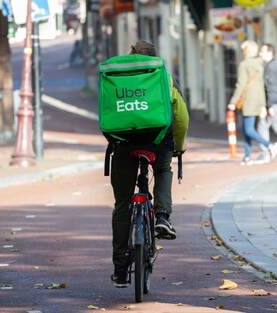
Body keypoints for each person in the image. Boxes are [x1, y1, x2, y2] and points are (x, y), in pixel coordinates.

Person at [108, 41, 189, 287]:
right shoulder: (162, 74)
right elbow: (180, 114)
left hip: (124, 141)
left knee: (122, 204)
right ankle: (163, 216)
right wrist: (179, 144)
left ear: (131, 54)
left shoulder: (117, 74)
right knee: (163, 170)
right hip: (157, 141)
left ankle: (120, 269)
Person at [228, 40, 277, 165]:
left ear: (246, 51)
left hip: (248, 100)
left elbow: (241, 85)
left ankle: (269, 145)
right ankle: (247, 156)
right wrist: (262, 104)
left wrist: (233, 101)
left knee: (249, 129)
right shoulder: (260, 63)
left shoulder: (244, 65)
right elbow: (261, 85)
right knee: (246, 129)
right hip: (258, 100)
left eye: (243, 49)